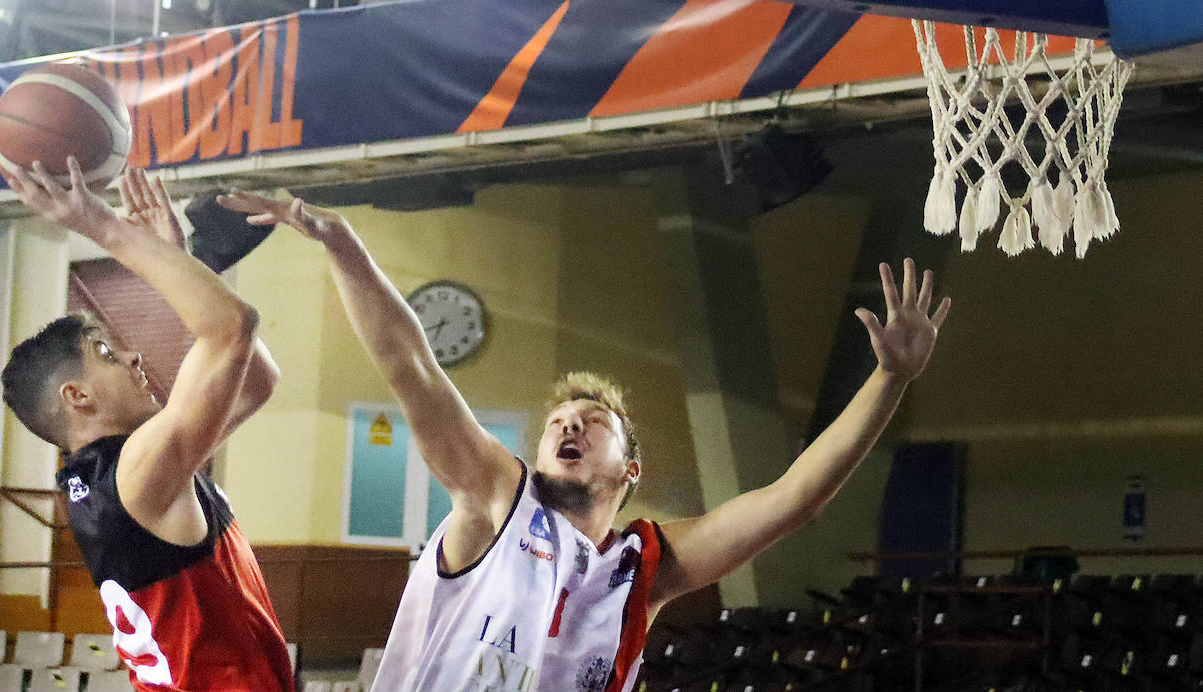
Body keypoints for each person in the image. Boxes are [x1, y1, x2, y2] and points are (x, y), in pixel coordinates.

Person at [220, 190, 951, 692]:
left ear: (629, 468)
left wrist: (889, 380)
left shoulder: (644, 571)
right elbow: (411, 366)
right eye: (559, 422)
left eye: (591, 423)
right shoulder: (494, 501)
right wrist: (344, 248)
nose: (569, 425)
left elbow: (794, 500)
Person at [1, 160, 295, 692]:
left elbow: (255, 381)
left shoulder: (121, 474)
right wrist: (105, 228)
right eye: (108, 354)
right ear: (77, 396)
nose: (133, 358)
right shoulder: (136, 473)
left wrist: (181, 261)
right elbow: (234, 328)